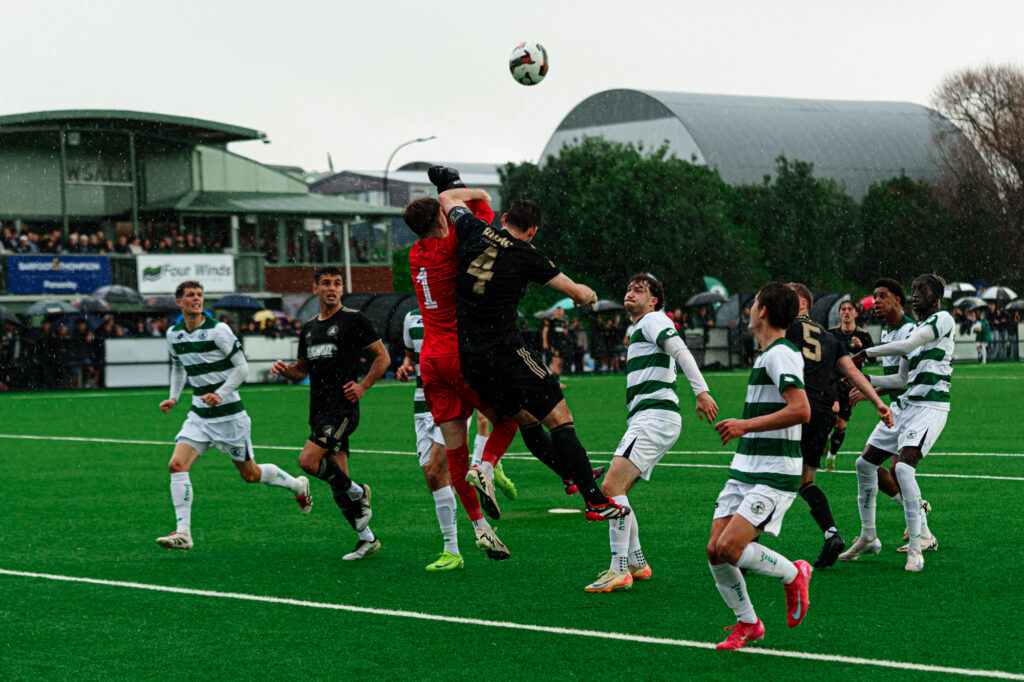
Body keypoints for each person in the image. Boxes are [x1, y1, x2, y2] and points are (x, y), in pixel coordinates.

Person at [433, 166, 628, 522]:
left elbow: (446, 198)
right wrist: (589, 296)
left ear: (504, 217)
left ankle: (568, 475)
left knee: (525, 420)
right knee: (561, 418)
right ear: (533, 230)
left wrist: (474, 192)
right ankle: (595, 500)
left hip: (470, 359)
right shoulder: (528, 255)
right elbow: (577, 292)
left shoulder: (473, 229)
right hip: (507, 353)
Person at [401, 184, 527, 562]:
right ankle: (487, 466)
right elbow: (485, 219)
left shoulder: (416, 254)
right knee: (512, 417)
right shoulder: (451, 247)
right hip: (460, 355)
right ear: (442, 216)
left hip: (430, 362)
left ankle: (480, 528)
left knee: (453, 452)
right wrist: (465, 191)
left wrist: (448, 200)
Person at [585, 273, 719, 593]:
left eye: (639, 290)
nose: (630, 292)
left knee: (611, 485)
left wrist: (702, 392)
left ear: (654, 300)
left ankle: (618, 570)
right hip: (651, 419)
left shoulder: (652, 320)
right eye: (629, 287)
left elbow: (681, 350)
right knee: (620, 490)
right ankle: (636, 561)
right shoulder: (642, 325)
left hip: (655, 418)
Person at [156, 280, 311, 552]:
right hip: (199, 415)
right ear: (179, 302)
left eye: (200, 295)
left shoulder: (218, 330)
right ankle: (183, 533)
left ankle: (298, 486)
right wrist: (174, 397)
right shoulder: (174, 334)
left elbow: (241, 368)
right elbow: (178, 367)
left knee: (250, 475)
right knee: (176, 465)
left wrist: (220, 394)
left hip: (230, 417)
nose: (196, 299)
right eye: (190, 295)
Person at [707, 281, 811, 651]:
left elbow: (801, 409)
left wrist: (744, 425)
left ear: (763, 310)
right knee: (714, 550)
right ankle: (748, 623)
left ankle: (793, 572)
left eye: (753, 303)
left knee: (731, 548)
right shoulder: (766, 354)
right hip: (745, 468)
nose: (749, 309)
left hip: (773, 471)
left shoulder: (781, 353)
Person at [271, 267, 389, 560]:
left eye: (337, 283)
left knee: (307, 461)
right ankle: (368, 540)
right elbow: (302, 371)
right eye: (326, 284)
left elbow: (382, 356)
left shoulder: (354, 319)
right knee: (338, 480)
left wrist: (362, 386)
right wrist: (286, 370)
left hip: (342, 409)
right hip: (319, 410)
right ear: (316, 289)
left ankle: (359, 492)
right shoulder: (309, 328)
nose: (332, 288)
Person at [843, 274, 953, 572]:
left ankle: (918, 546)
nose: (916, 295)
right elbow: (902, 379)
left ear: (937, 296)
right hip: (906, 409)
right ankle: (868, 536)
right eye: (914, 290)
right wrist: (867, 381)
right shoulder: (916, 328)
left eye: (922, 290)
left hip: (930, 407)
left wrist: (865, 353)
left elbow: (906, 347)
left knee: (902, 468)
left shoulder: (942, 320)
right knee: (864, 465)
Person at [785, 283, 892, 569]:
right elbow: (852, 372)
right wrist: (878, 403)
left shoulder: (784, 329)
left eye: (789, 299)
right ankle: (831, 533)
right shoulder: (829, 338)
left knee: (768, 472)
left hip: (795, 404)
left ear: (804, 304)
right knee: (806, 480)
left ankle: (748, 544)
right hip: (821, 411)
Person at [825, 300, 875, 470]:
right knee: (833, 410)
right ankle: (824, 436)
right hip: (832, 382)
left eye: (850, 309)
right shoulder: (830, 334)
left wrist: (862, 349)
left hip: (851, 385)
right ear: (839, 314)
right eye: (843, 309)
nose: (846, 312)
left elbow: (874, 358)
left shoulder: (863, 335)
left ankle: (831, 456)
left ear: (855, 313)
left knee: (841, 424)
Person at [542, 306, 570, 380]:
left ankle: (557, 379)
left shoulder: (564, 322)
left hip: (561, 344)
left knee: (560, 363)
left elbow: (565, 334)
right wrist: (545, 342)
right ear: (555, 312)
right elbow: (545, 331)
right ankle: (555, 380)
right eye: (557, 311)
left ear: (563, 312)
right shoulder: (551, 320)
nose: (559, 313)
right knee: (555, 361)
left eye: (560, 311)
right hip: (553, 344)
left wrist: (565, 332)